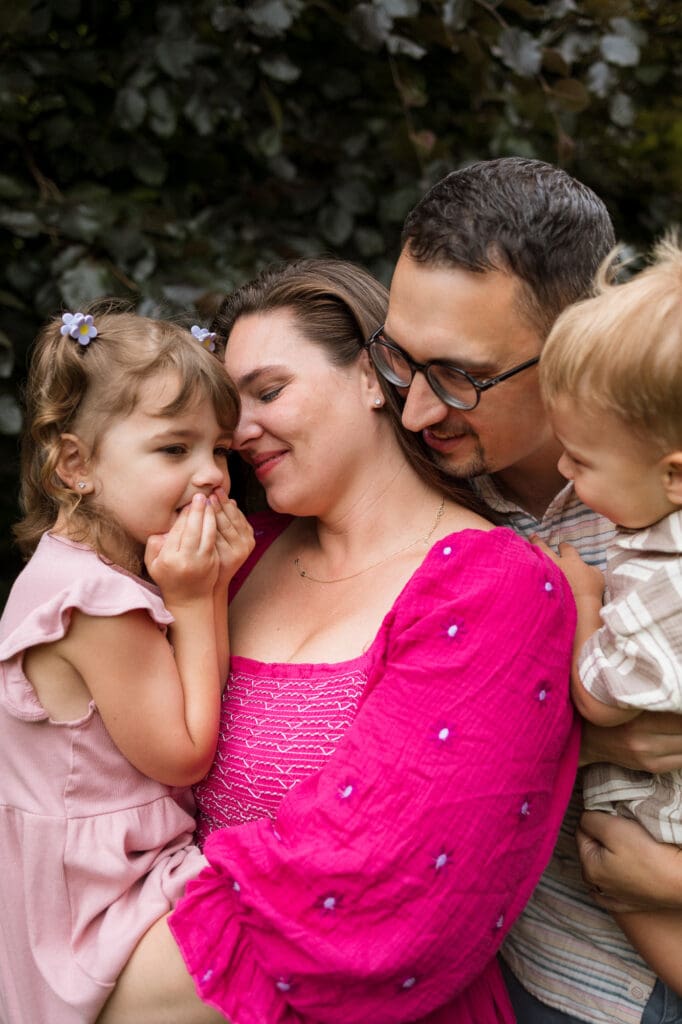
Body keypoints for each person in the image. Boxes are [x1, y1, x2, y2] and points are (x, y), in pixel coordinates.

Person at [97, 257, 580, 1024]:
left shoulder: (493, 586)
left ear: (370, 376)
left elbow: (380, 880)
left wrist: (84, 994)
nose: (237, 431)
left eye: (269, 391)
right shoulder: (234, 553)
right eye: (230, 407)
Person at [376, 155, 682, 1023]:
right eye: (400, 359)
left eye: (461, 376)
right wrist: (588, 747)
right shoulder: (401, 487)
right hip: (526, 981)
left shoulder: (664, 490)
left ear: (574, 340)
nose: (416, 413)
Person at [0, 305, 254, 1024]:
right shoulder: (98, 601)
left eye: (220, 450)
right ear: (76, 464)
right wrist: (202, 597)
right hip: (99, 897)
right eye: (174, 450)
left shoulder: (69, 568)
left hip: (84, 874)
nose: (210, 476)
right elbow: (183, 755)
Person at [535, 235, 682, 995]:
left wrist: (585, 599)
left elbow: (597, 695)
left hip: (664, 830)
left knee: (612, 858)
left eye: (583, 462)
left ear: (674, 474)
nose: (564, 472)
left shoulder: (665, 577)